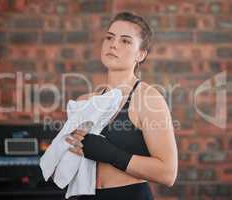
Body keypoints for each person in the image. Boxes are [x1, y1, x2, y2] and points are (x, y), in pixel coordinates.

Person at [64, 11, 178, 200]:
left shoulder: (147, 99)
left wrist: (111, 154)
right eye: (109, 38)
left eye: (125, 41)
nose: (113, 44)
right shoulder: (84, 102)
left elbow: (168, 174)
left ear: (141, 54)